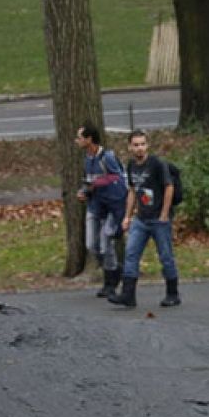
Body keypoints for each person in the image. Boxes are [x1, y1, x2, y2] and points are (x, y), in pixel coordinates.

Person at [109, 130, 180, 308]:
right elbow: (132, 191)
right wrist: (127, 216)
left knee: (165, 256)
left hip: (158, 219)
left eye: (142, 144)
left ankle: (172, 293)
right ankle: (128, 294)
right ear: (130, 147)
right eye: (136, 145)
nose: (140, 148)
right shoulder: (131, 165)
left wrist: (164, 214)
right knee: (131, 254)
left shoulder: (156, 164)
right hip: (141, 219)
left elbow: (169, 187)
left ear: (147, 145)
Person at [74, 125, 128, 296]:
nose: (77, 141)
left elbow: (116, 176)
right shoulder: (86, 159)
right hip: (94, 205)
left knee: (106, 244)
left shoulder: (107, 157)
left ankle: (111, 280)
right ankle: (111, 271)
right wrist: (83, 191)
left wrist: (96, 184)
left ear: (89, 139)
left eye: (80, 138)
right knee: (92, 244)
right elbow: (87, 181)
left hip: (111, 205)